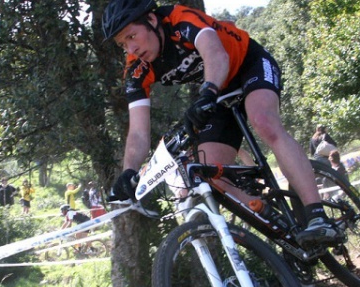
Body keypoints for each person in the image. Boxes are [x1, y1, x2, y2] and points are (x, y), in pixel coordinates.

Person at [102, 0, 343, 247]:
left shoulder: (179, 20)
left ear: (151, 21)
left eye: (132, 36)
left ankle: (317, 216)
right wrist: (129, 171)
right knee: (209, 170)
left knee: (264, 122)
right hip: (218, 90)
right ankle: (280, 228)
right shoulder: (137, 69)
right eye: (123, 44)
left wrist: (208, 93)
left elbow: (215, 53)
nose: (131, 47)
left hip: (248, 65)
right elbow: (139, 132)